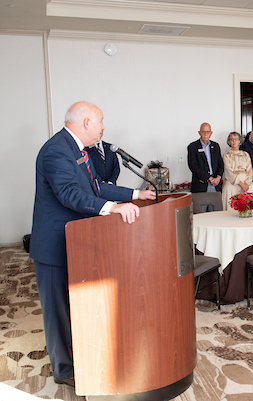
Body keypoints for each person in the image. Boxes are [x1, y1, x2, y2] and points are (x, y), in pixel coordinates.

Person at [29, 102, 156, 388]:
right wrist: (113, 208)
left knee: (76, 306)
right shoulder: (56, 150)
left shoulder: (76, 150)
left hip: (76, 243)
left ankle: (82, 357)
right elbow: (69, 194)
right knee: (58, 311)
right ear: (86, 122)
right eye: (100, 121)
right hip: (54, 246)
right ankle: (64, 371)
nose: (103, 127)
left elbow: (96, 186)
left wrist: (136, 194)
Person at [222, 131, 253, 210]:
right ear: (229, 142)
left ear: (239, 141)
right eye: (231, 139)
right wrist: (241, 184)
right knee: (227, 187)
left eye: (236, 139)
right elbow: (228, 171)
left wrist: (246, 184)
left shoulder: (245, 154)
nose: (234, 141)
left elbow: (249, 170)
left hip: (246, 182)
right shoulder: (226, 155)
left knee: (251, 188)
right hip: (232, 182)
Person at [187, 122, 224, 194]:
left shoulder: (215, 146)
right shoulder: (192, 147)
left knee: (216, 205)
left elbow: (221, 164)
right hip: (200, 185)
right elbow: (193, 166)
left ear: (211, 133)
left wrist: (218, 178)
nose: (206, 134)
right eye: (203, 131)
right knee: (200, 205)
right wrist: (208, 178)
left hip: (216, 185)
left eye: (208, 132)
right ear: (199, 133)